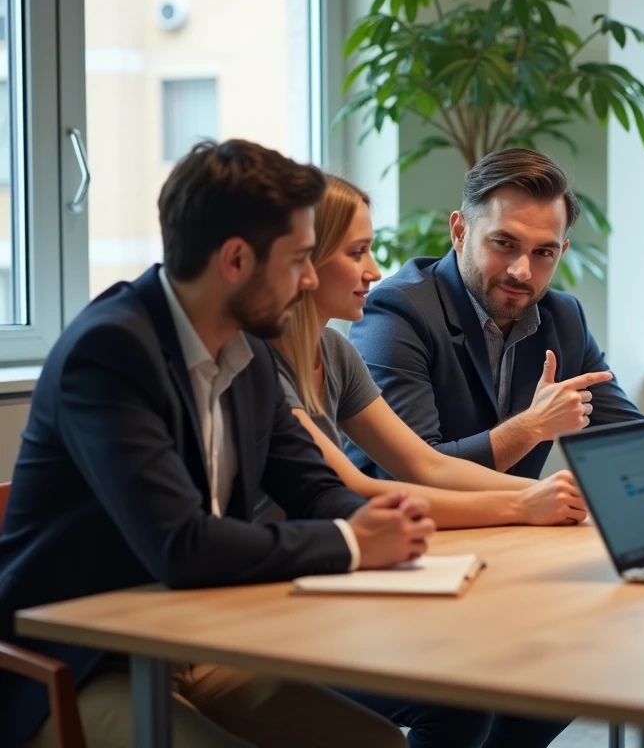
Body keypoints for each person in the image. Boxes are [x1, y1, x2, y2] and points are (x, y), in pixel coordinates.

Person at [0, 139, 431, 748]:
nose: (309, 279)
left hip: (192, 639)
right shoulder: (110, 353)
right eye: (299, 260)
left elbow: (311, 486)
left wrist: (379, 520)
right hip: (80, 663)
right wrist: (352, 543)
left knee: (379, 743)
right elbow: (182, 546)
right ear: (235, 260)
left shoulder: (248, 350)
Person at [267, 173, 576, 747]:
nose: (373, 270)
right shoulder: (263, 363)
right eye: (357, 252)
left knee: (542, 666)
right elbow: (355, 489)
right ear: (302, 261)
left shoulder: (333, 350)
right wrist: (521, 503)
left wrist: (547, 499)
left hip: (331, 578)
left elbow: (424, 466)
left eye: (543, 251)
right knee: (461, 698)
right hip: (284, 599)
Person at [347, 147, 644, 497]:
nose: (522, 271)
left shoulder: (564, 318)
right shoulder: (397, 312)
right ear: (459, 233)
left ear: (562, 252)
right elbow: (415, 476)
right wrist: (532, 426)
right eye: (504, 243)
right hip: (413, 543)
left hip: (520, 532)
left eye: (543, 253)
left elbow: (623, 439)